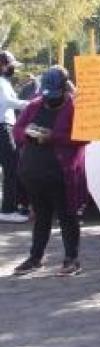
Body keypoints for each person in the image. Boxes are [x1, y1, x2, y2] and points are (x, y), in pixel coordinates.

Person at [11, 67, 87, 276]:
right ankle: (36, 257)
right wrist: (28, 133)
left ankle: (72, 259)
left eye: (54, 95)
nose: (49, 100)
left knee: (67, 216)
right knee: (41, 216)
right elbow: (17, 130)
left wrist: (53, 137)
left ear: (64, 89)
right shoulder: (34, 105)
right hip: (34, 173)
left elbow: (84, 137)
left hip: (62, 173)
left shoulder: (75, 107)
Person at [0, 51, 29, 223]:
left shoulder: (4, 82)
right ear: (3, 65)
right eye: (11, 65)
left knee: (10, 167)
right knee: (11, 168)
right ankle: (8, 209)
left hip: (4, 126)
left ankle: (9, 206)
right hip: (3, 127)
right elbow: (8, 102)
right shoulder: (2, 82)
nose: (13, 69)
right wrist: (30, 104)